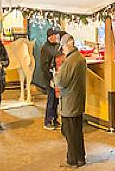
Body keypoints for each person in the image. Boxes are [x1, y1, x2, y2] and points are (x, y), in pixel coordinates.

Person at [54, 34, 87, 168]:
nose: (62, 50)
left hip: (69, 102)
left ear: (69, 44)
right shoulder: (80, 58)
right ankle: (80, 158)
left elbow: (62, 82)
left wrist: (56, 77)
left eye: (63, 47)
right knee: (77, 131)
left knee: (69, 132)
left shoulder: (69, 61)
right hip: (78, 100)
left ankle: (72, 160)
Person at [40, 27, 60, 130]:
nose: (55, 37)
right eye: (53, 35)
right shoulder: (45, 48)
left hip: (56, 76)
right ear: (49, 37)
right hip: (49, 77)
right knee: (51, 99)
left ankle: (55, 118)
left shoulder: (56, 46)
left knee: (56, 99)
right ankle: (48, 121)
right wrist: (50, 78)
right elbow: (43, 65)